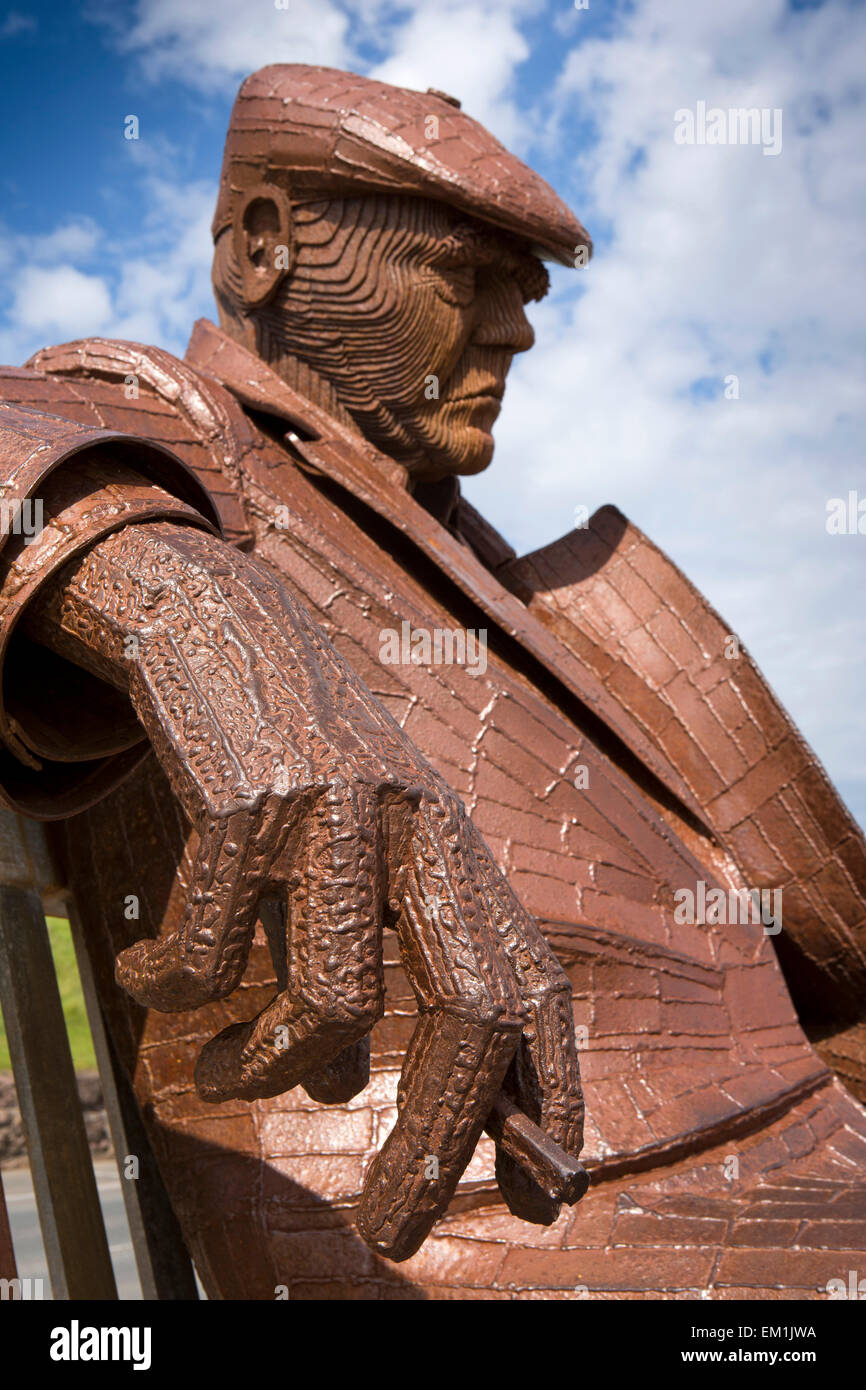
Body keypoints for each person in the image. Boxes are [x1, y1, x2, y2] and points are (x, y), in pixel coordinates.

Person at [0, 65, 863, 1299]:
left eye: (524, 288)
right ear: (258, 252)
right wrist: (195, 615)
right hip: (529, 1227)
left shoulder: (491, 563)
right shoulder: (170, 436)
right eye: (463, 275)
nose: (515, 328)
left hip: (802, 1153)